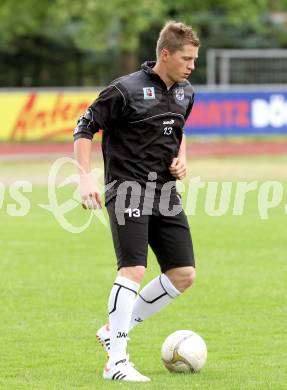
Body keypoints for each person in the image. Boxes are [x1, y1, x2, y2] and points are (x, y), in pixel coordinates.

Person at [74, 20, 200, 382]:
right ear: (165, 54)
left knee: (183, 275)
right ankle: (116, 362)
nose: (192, 66)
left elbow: (179, 129)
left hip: (165, 191)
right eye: (186, 58)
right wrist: (85, 177)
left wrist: (182, 156)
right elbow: (84, 127)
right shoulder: (125, 90)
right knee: (133, 269)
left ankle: (111, 330)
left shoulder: (186, 92)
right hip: (127, 188)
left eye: (194, 59)